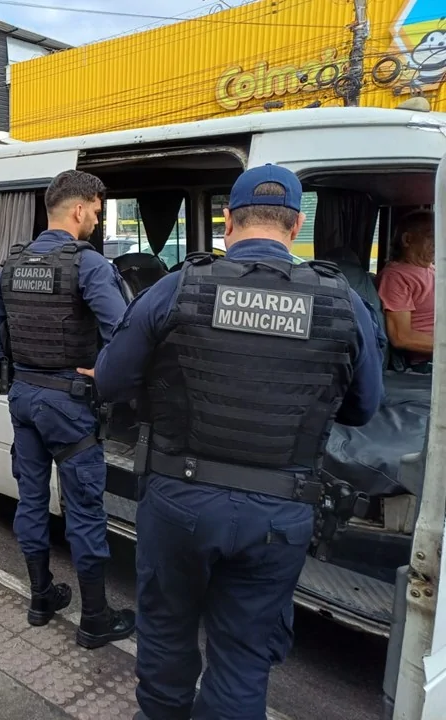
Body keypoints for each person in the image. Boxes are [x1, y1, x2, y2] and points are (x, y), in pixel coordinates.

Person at [82, 165, 384, 720]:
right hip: (279, 512)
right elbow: (364, 408)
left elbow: (111, 380)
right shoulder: (342, 302)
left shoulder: (180, 285)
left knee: (167, 641)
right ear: (295, 227)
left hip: (178, 501)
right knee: (244, 662)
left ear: (228, 221)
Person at [0, 169, 136, 649]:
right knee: (85, 511)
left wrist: (27, 375)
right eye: (95, 209)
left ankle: (41, 599)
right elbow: (125, 334)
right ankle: (94, 620)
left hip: (24, 400)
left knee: (31, 499)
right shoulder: (87, 265)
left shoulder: (13, 264)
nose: (96, 218)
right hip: (69, 405)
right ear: (78, 208)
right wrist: (101, 378)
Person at [378, 210, 435, 371]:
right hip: (427, 364)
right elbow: (401, 336)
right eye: (431, 237)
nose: (438, 242)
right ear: (407, 239)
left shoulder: (432, 269)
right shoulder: (396, 277)